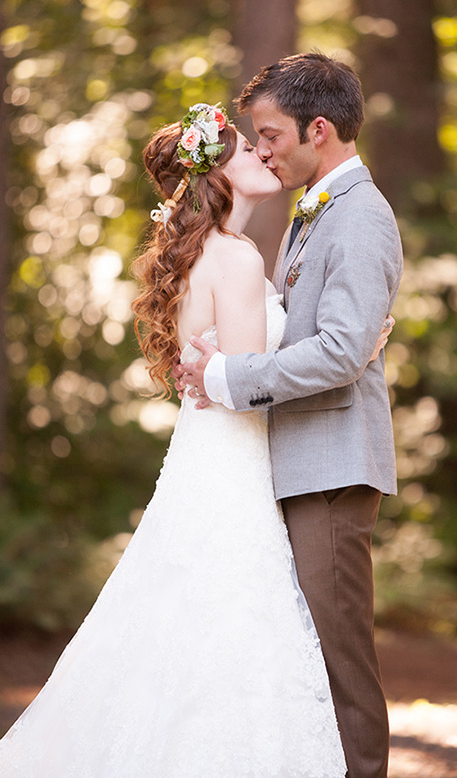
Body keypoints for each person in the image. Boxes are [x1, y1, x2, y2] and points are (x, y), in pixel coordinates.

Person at [0, 105, 348, 776]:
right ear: (218, 173)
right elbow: (249, 379)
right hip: (232, 461)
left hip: (205, 454)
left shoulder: (198, 257)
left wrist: (223, 367)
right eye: (247, 149)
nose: (263, 156)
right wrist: (351, 352)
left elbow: (227, 368)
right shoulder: (238, 258)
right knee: (232, 615)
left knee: (185, 614)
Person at [177, 54, 404, 778]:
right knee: (308, 656)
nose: (263, 149)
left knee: (340, 660)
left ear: (320, 129)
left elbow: (338, 353)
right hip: (297, 461)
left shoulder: (361, 216)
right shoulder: (310, 215)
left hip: (332, 466)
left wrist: (225, 375)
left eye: (270, 134)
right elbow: (327, 339)